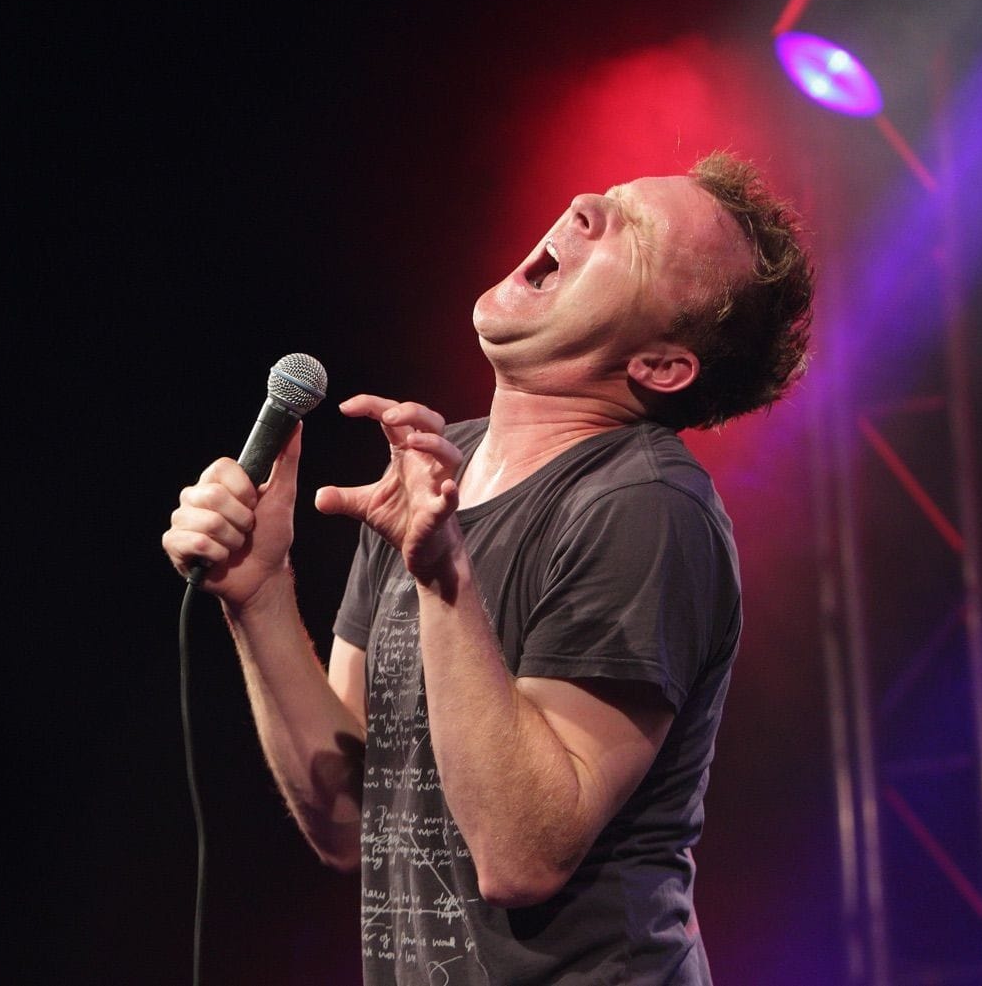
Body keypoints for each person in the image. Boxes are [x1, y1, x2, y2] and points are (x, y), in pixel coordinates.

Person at [162, 151, 813, 984]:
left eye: (635, 235)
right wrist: (257, 592)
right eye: (605, 197)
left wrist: (443, 577)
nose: (581, 205)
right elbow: (356, 823)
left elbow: (521, 854)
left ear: (659, 366)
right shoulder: (433, 472)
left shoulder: (646, 506)